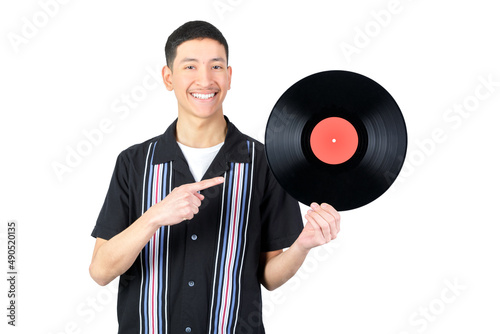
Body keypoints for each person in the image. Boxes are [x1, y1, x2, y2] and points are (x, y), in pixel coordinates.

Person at [89, 20, 340, 334]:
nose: (205, 80)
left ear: (230, 76)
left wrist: (303, 246)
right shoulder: (134, 162)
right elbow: (100, 271)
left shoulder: (266, 162)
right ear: (168, 78)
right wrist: (154, 216)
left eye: (216, 66)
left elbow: (269, 277)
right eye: (190, 66)